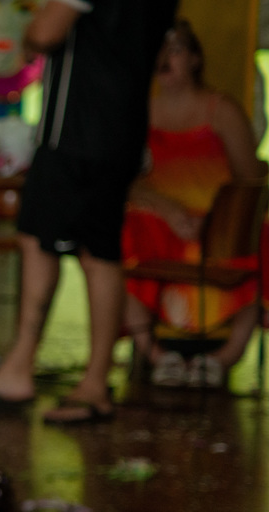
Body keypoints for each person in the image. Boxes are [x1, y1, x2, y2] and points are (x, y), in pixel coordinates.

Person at [0, 0, 178, 423]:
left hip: (76, 133)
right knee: (66, 243)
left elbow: (44, 33)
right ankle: (37, 369)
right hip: (119, 128)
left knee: (84, 251)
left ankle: (87, 383)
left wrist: (33, 30)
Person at [122, 19, 268, 388]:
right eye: (157, 49)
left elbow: (250, 180)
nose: (164, 58)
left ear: (194, 59)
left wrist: (217, 219)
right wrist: (166, 210)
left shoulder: (221, 110)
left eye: (174, 49)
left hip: (219, 224)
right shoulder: (137, 113)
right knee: (117, 238)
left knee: (259, 235)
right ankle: (155, 354)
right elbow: (122, 181)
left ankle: (225, 357)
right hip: (160, 220)